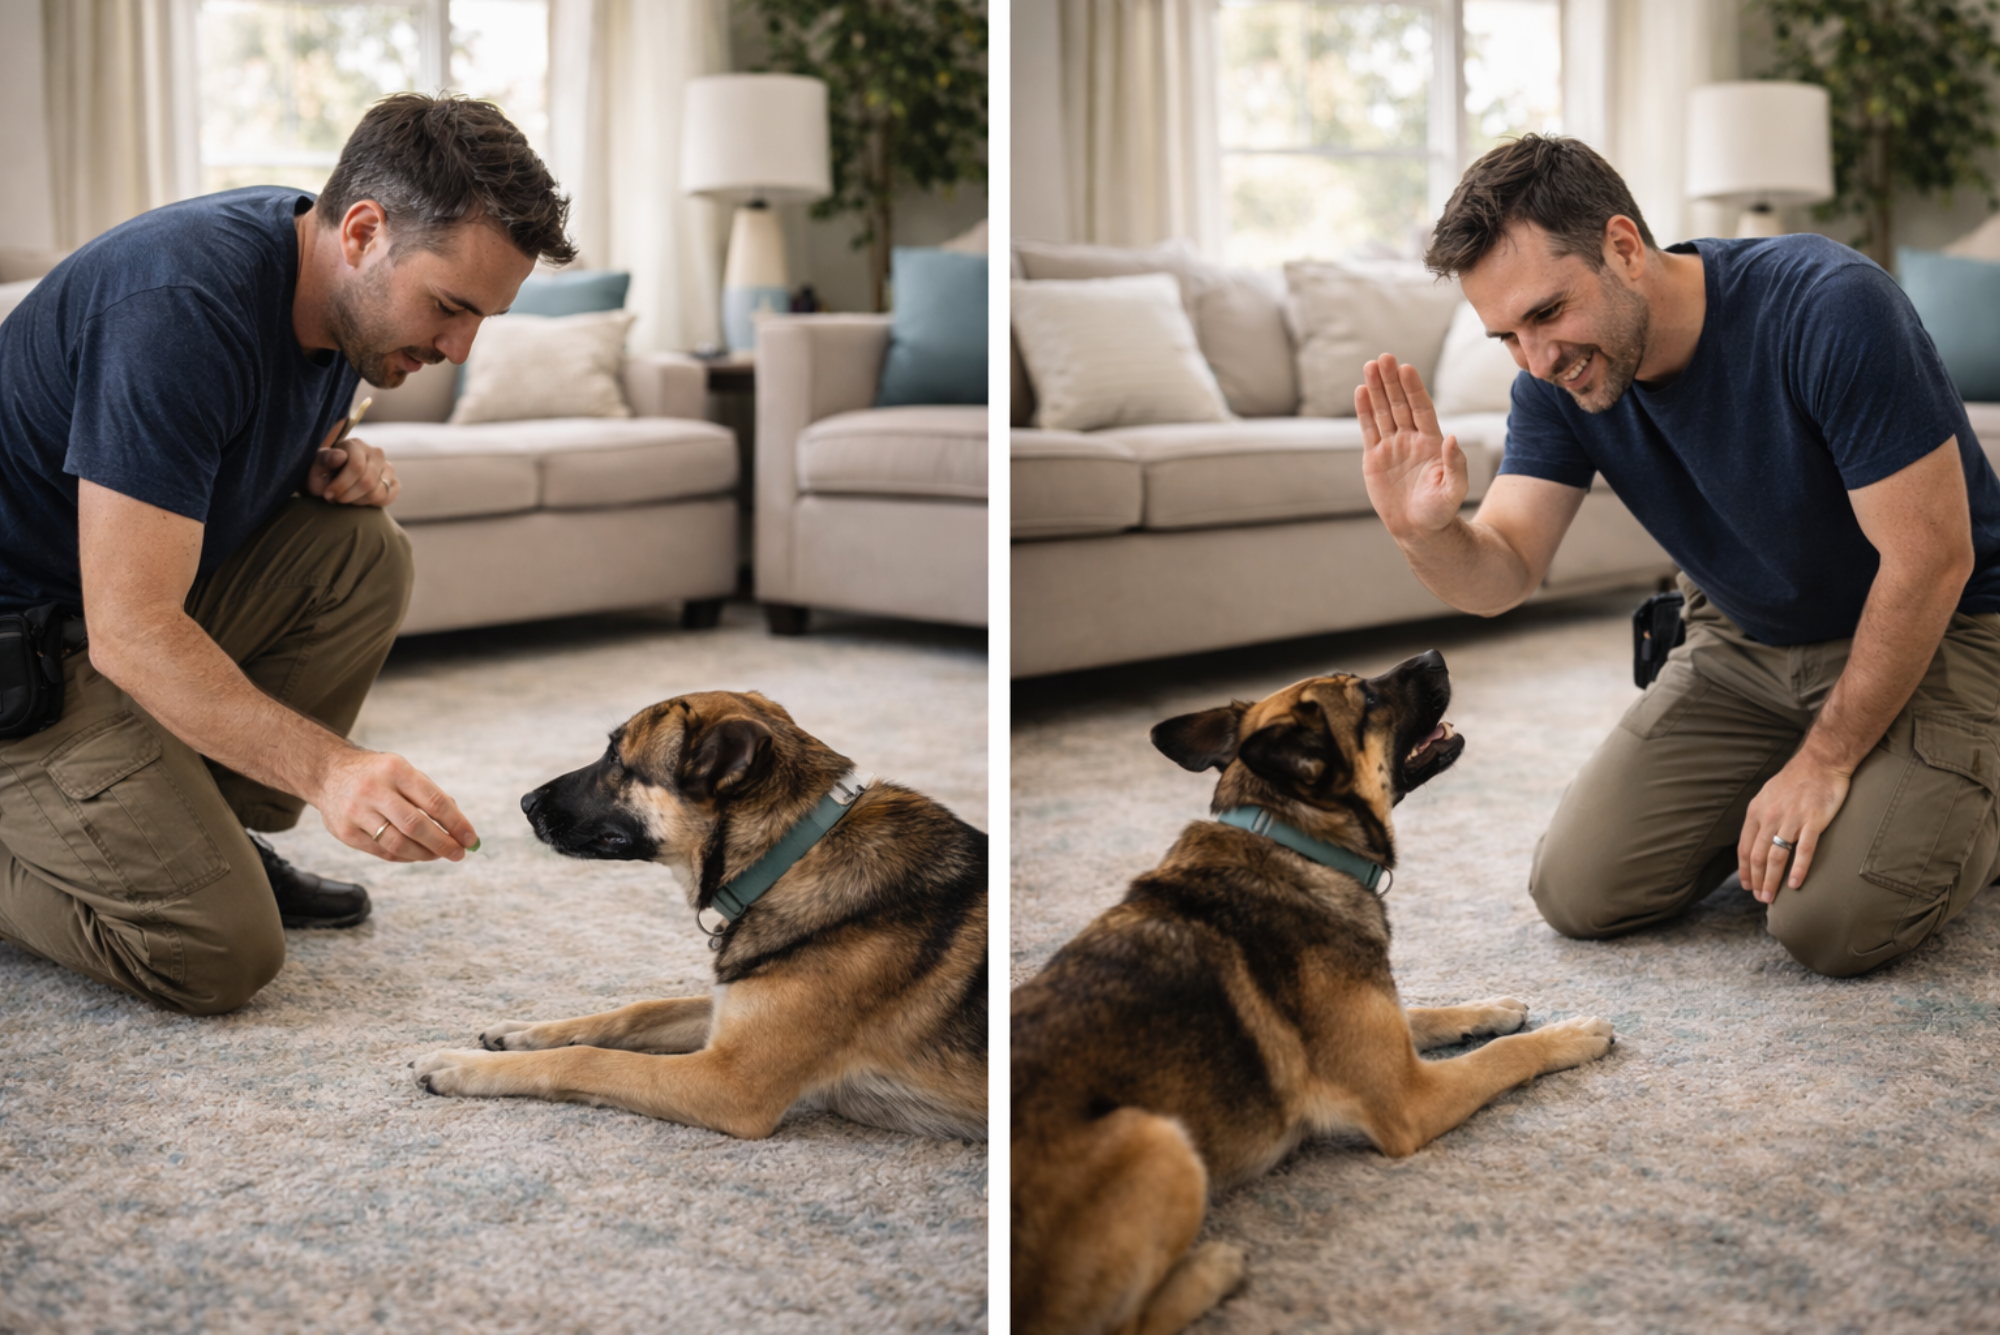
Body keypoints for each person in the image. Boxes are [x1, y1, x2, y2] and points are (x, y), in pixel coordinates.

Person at [1356, 134, 2000, 978]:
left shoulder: (1830, 307)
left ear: (1624, 247)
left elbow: (1929, 564)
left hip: (1946, 633)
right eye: (1507, 336)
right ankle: (1865, 777)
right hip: (1747, 642)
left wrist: (1826, 759)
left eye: (1548, 313)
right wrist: (1424, 530)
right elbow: (1503, 570)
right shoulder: (1555, 385)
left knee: (1831, 923)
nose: (1539, 359)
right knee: (1578, 890)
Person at [0, 93, 576, 1014]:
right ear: (362, 231)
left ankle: (203, 827)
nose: (460, 348)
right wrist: (332, 769)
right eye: (449, 308)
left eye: (484, 322)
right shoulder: (181, 306)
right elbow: (132, 629)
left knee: (358, 550)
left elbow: (230, 454)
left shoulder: (335, 297)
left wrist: (341, 462)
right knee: (215, 950)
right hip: (26, 662)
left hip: (92, 622)